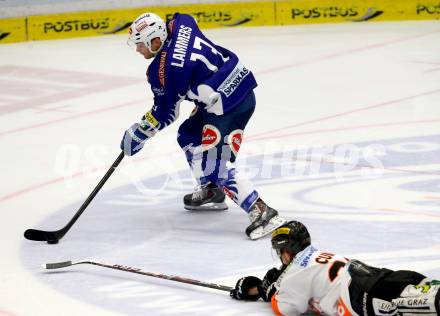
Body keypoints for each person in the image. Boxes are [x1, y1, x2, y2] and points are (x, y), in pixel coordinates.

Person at [120, 12, 287, 239]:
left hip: (229, 106)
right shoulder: (182, 23)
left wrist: (139, 132)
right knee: (189, 135)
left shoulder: (165, 72)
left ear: (155, 40)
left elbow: (165, 113)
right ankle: (212, 190)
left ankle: (262, 211)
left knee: (212, 162)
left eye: (140, 45)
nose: (138, 50)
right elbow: (183, 21)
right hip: (232, 87)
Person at [230, 220, 440, 315]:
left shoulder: (294, 274)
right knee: (430, 288)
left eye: (280, 251)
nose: (280, 257)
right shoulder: (318, 254)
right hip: (379, 275)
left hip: (362, 298)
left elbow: (288, 309)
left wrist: (271, 292)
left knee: (432, 306)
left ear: (287, 251)